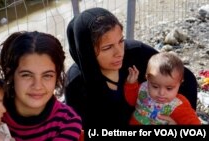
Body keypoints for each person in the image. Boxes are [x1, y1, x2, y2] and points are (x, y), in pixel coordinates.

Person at [65, 7, 198, 130]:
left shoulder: (137, 53)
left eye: (121, 41)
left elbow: (185, 79)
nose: (119, 52)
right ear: (87, 52)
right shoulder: (76, 84)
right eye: (107, 47)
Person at [0, 31, 82, 141]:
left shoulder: (68, 122)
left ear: (56, 77)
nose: (37, 86)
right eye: (26, 75)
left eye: (47, 75)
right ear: (10, 73)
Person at [125, 52, 201, 125]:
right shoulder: (143, 88)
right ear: (147, 78)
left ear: (180, 83)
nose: (161, 93)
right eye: (155, 86)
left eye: (169, 88)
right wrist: (131, 84)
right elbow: (131, 101)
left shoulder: (178, 104)